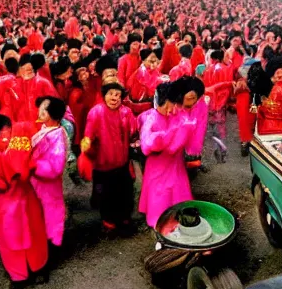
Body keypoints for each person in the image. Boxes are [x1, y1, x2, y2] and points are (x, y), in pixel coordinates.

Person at [0, 114, 49, 289]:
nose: (8, 134)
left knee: (29, 235)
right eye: (4, 130)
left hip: (19, 198)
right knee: (19, 238)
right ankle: (23, 274)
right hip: (15, 199)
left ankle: (31, 271)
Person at [81, 82, 138, 234]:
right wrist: (86, 147)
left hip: (122, 162)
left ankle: (125, 219)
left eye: (118, 95)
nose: (115, 97)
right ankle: (109, 222)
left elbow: (134, 131)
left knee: (125, 193)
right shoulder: (96, 112)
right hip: (103, 164)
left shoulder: (126, 112)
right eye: (111, 93)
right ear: (104, 95)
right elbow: (88, 136)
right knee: (107, 195)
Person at [138, 82, 196, 228]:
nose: (170, 110)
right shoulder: (151, 119)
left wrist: (183, 131)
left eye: (173, 105)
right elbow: (146, 145)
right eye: (167, 107)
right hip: (158, 167)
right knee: (160, 198)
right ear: (159, 103)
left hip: (175, 164)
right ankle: (161, 225)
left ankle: (178, 220)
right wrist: (165, 137)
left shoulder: (177, 114)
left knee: (177, 195)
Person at [30, 97, 68, 257]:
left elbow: (56, 167)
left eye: (44, 110)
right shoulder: (46, 129)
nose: (40, 111)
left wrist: (32, 166)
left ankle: (52, 244)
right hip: (38, 180)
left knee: (50, 211)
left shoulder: (57, 136)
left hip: (47, 183)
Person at [126, 48, 164, 116]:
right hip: (143, 110)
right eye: (151, 61)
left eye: (155, 61)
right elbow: (137, 99)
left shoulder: (155, 71)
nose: (154, 64)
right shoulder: (139, 75)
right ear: (143, 61)